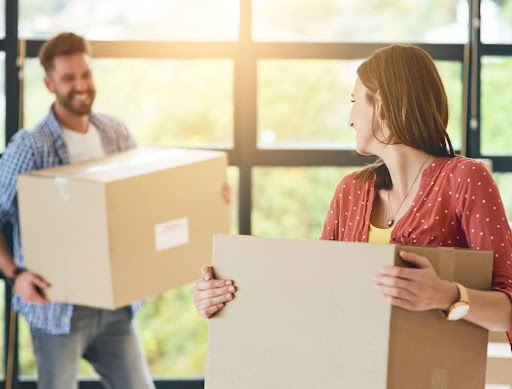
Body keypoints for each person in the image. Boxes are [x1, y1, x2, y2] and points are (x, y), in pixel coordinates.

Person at [193, 44, 512, 346]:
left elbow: (508, 307)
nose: (350, 119)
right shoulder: (351, 192)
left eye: (354, 101)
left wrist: (447, 296)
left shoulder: (465, 179)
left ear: (383, 105)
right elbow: (315, 295)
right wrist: (224, 297)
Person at [0, 32, 155, 388]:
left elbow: (142, 198)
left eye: (85, 75)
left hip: (115, 306)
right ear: (49, 84)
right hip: (58, 308)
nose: (81, 85)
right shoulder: (30, 147)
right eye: (69, 78)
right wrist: (15, 275)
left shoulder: (115, 133)